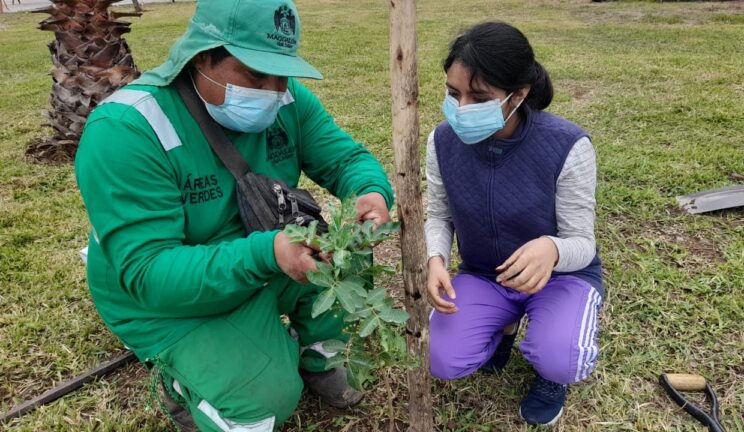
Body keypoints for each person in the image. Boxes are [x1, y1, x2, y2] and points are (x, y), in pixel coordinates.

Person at [74, 1, 394, 431]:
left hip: (260, 252)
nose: (274, 90)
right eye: (256, 74)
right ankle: (183, 383)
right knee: (262, 406)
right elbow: (149, 273)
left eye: (283, 73)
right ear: (202, 56)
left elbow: (345, 159)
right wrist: (268, 253)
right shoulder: (126, 130)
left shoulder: (287, 99)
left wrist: (370, 193)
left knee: (347, 251)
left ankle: (319, 351)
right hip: (168, 300)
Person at [425, 22, 604, 426]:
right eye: (454, 94)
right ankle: (504, 327)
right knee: (440, 358)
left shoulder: (568, 145)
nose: (462, 108)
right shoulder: (441, 141)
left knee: (562, 359)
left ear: (518, 95)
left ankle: (549, 376)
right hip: (486, 275)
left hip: (562, 277)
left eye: (480, 97)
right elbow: (438, 213)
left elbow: (582, 243)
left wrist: (552, 248)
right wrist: (435, 258)